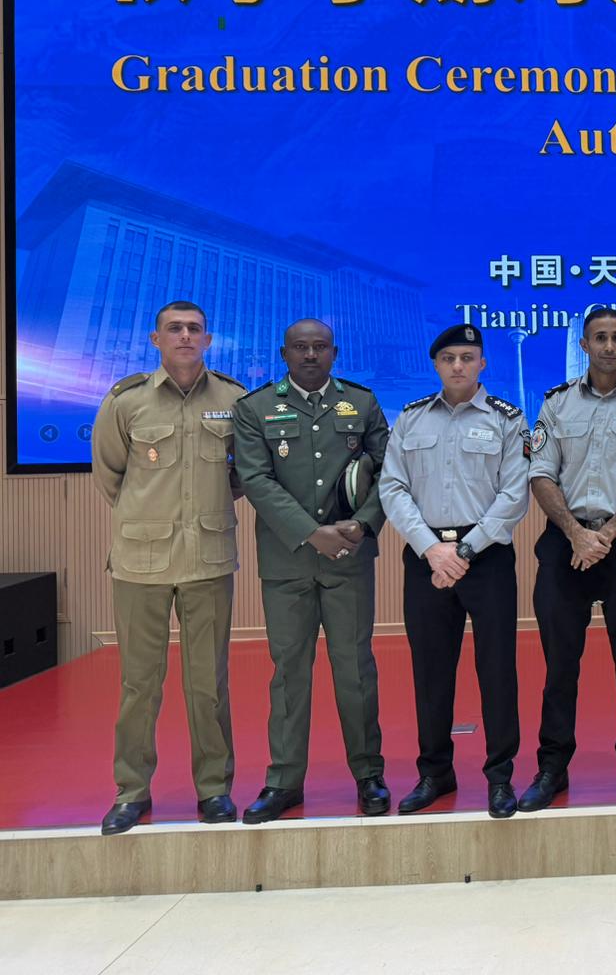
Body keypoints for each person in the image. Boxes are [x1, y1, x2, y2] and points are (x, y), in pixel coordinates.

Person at [90, 300, 246, 835]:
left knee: (209, 684)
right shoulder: (126, 400)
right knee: (139, 684)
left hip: (208, 561)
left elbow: (243, 474)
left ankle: (214, 789)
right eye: (174, 329)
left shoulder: (234, 399)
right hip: (141, 562)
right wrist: (150, 517)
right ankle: (131, 791)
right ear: (155, 339)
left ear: (208, 340)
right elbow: (111, 475)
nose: (185, 336)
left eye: (194, 329)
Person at [232, 319, 391, 823]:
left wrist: (363, 525)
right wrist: (310, 533)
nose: (309, 355)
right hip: (287, 562)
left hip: (349, 557)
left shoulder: (362, 403)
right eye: (299, 347)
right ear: (284, 353)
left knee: (355, 670)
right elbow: (255, 478)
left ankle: (368, 774)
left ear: (334, 353)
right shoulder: (255, 408)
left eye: (319, 347)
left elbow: (390, 472)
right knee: (289, 673)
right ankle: (283, 781)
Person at [522, 307, 616, 812]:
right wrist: (575, 534)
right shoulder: (557, 403)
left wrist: (604, 534)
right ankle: (552, 767)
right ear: (584, 345)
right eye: (599, 338)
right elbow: (541, 474)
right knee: (560, 663)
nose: (609, 346)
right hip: (564, 543)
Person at [378, 323, 530, 818]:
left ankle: (500, 776)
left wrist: (462, 551)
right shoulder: (411, 418)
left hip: (485, 558)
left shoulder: (508, 419)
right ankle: (434, 773)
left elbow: (515, 494)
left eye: (467, 357)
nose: (458, 366)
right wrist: (431, 549)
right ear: (436, 365)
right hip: (427, 559)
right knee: (431, 671)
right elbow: (392, 488)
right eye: (449, 358)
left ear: (483, 363)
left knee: (497, 669)